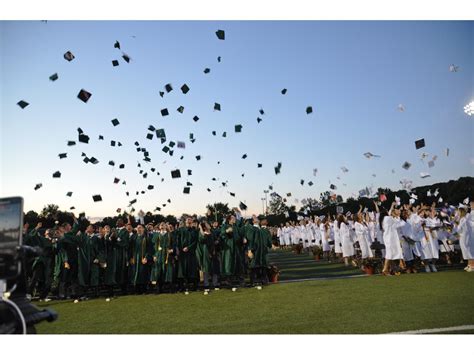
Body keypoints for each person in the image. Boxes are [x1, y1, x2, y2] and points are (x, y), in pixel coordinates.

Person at [381, 202, 405, 275]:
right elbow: (399, 222)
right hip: (389, 239)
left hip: (392, 239)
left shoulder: (389, 219)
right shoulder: (387, 218)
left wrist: (393, 207)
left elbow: (401, 223)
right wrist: (396, 214)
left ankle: (390, 269)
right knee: (389, 254)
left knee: (394, 253)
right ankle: (385, 270)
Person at [177, 217, 198, 292]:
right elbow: (178, 240)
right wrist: (180, 249)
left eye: (190, 220)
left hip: (191, 253)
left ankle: (193, 286)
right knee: (182, 270)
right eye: (188, 220)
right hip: (182, 253)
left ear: (192, 221)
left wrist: (188, 247)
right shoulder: (181, 230)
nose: (189, 221)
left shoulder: (195, 231)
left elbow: (195, 241)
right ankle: (183, 287)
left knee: (192, 270)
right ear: (185, 221)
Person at [130, 224, 152, 294]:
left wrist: (146, 257)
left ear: (143, 229)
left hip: (143, 258)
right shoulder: (133, 237)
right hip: (135, 258)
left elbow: (149, 249)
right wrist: (131, 258)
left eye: (140, 228)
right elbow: (130, 248)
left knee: (143, 273)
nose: (139, 229)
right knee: (135, 273)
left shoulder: (146, 238)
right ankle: (136, 290)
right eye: (138, 228)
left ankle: (144, 290)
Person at [454, 204, 474, 272]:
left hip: (465, 236)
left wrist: (456, 226)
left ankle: (472, 266)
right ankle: (469, 265)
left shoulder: (463, 219)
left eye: (459, 212)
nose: (458, 213)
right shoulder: (462, 219)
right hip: (463, 236)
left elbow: (459, 229)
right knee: (466, 251)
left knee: (469, 250)